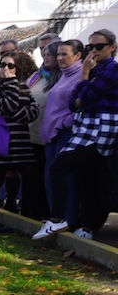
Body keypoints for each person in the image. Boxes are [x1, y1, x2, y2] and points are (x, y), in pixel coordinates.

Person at [34, 29, 118, 240]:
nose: (94, 51)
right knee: (90, 179)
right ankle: (86, 227)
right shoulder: (96, 70)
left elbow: (86, 95)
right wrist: (84, 90)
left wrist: (85, 75)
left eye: (99, 47)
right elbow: (74, 102)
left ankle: (58, 219)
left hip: (100, 129)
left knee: (59, 168)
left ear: (112, 48)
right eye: (91, 46)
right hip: (87, 127)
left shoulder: (110, 70)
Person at [0, 51, 40, 233]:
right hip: (0, 140)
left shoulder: (24, 87)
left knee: (31, 177)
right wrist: (11, 84)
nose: (5, 69)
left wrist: (16, 113)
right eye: (2, 65)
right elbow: (7, 106)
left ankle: (28, 212)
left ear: (18, 68)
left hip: (20, 142)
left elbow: (33, 111)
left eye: (10, 66)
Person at [41, 40, 86, 227]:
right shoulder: (63, 75)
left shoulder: (81, 75)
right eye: (58, 54)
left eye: (64, 54)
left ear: (77, 56)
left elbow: (83, 103)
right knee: (50, 177)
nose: (59, 58)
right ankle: (55, 218)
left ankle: (66, 220)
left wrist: (65, 122)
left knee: (64, 178)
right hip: (51, 134)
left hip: (65, 133)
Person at [23, 41, 61, 220]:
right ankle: (31, 210)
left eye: (50, 54)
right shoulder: (36, 76)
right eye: (44, 54)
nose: (46, 57)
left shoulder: (61, 78)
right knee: (32, 175)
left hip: (49, 135)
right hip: (30, 132)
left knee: (45, 175)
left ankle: (47, 212)